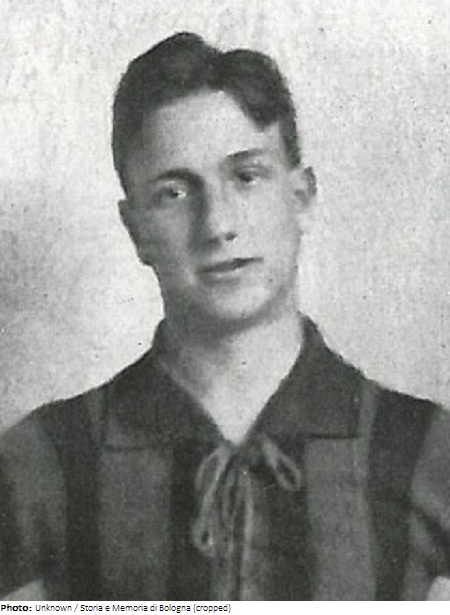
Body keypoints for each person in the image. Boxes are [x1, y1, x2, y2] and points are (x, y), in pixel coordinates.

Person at [1, 31, 450, 601]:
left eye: (246, 176)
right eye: (174, 193)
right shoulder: (41, 458)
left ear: (302, 197)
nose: (218, 224)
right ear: (136, 231)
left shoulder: (425, 449)